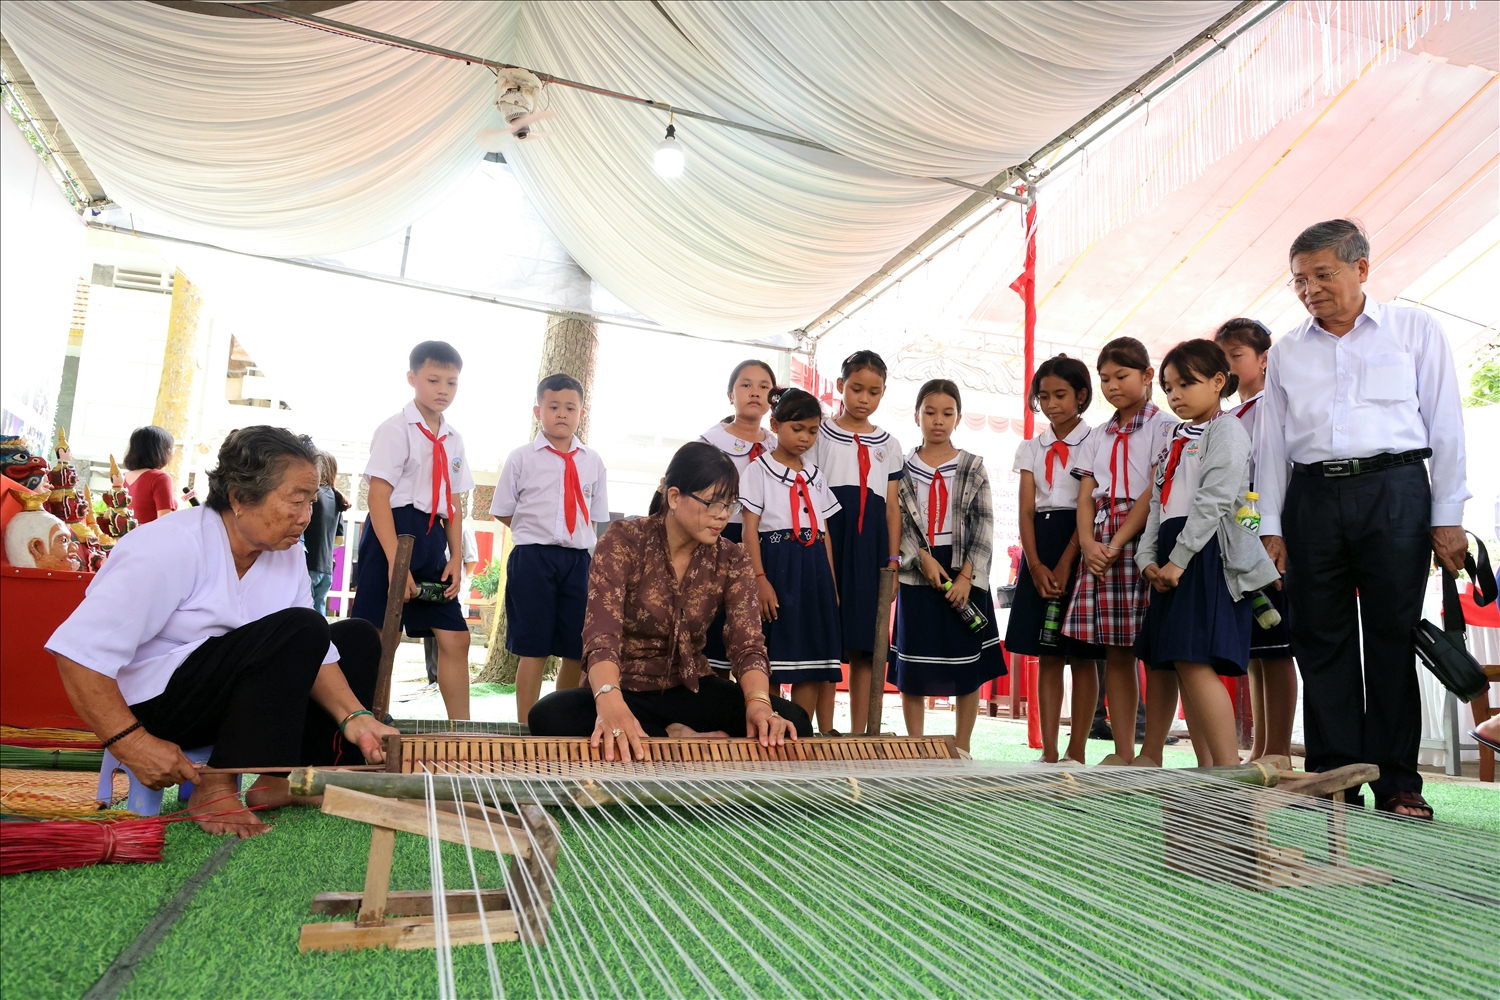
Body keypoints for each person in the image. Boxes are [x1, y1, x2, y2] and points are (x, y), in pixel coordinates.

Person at [46, 427, 398, 837]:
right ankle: (215, 785)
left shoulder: (287, 556)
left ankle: (279, 781)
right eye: (295, 501)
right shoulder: (170, 545)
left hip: (233, 697)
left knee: (355, 638)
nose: (306, 516)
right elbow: (77, 653)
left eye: (311, 502)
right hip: (158, 704)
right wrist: (132, 742)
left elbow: (316, 652)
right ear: (239, 497)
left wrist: (354, 717)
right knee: (302, 627)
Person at [1258, 219, 1469, 819]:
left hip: (1396, 490)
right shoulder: (1288, 350)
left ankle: (1399, 782)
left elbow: (1446, 424)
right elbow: (1271, 444)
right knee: (1319, 638)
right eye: (1300, 279)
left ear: (1362, 269)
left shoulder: (1414, 328)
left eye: (1323, 274)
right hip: (1312, 498)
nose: (1311, 289)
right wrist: (1270, 527)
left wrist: (1447, 515)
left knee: (1390, 635)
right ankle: (1335, 779)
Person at [527, 442, 809, 755]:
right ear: (674, 497)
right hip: (623, 688)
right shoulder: (625, 541)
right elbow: (601, 636)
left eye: (729, 505)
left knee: (794, 721)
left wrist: (758, 704)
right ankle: (675, 737)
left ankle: (662, 737)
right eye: (712, 504)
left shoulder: (731, 558)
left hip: (690, 689)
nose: (722, 516)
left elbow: (747, 643)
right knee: (549, 716)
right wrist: (610, 704)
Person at [1136, 341, 1281, 768]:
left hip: (1207, 555)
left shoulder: (1228, 430)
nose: (1175, 394)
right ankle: (1207, 769)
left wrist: (1178, 561)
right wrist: (1148, 558)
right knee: (1178, 662)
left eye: (1186, 383)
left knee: (1195, 660)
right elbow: (1159, 504)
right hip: (1170, 553)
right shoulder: (1174, 437)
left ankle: (1228, 770)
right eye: (1168, 386)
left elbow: (1215, 501)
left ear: (1219, 382)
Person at [1063, 338, 1173, 765]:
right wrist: (1089, 543)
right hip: (1102, 538)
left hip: (1145, 537)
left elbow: (1154, 491)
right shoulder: (1097, 435)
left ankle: (1153, 751)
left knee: (1156, 650)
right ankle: (1123, 751)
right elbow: (1086, 493)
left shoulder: (1165, 427)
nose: (1112, 386)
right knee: (1117, 650)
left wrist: (1116, 541)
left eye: (1121, 376)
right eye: (1105, 379)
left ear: (1148, 376)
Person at [352, 341, 475, 723]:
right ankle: (372, 726)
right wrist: (395, 561)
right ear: (412, 378)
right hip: (392, 532)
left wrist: (455, 556)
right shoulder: (394, 429)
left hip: (432, 537)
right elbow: (377, 498)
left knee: (456, 636)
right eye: (433, 379)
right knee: (379, 639)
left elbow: (453, 505)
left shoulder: (454, 438)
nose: (443, 389)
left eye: (452, 382)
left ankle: (463, 733)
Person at [889, 379, 1004, 753]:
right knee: (913, 668)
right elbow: (898, 520)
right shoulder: (902, 467)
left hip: (963, 572)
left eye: (947, 413)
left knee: (966, 666)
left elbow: (985, 522)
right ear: (918, 415)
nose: (938, 420)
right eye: (930, 412)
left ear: (958, 417)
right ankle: (917, 747)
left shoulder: (972, 466)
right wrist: (920, 557)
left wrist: (968, 577)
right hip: (917, 572)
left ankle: (963, 747)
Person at [492, 373, 609, 724]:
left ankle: (558, 720)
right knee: (535, 647)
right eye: (553, 406)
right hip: (533, 559)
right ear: (537, 411)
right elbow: (502, 509)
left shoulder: (593, 461)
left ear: (581, 413)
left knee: (575, 648)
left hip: (577, 561)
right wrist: (535, 532)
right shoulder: (521, 458)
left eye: (570, 407)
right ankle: (527, 723)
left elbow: (597, 517)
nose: (562, 414)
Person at [1003, 355, 1103, 765]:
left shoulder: (1096, 441)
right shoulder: (1030, 447)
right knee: (1046, 653)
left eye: (1060, 395)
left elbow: (1090, 507)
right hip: (1039, 545)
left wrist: (1064, 563)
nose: (1051, 404)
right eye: (1043, 396)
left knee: (1080, 653)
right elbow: (1026, 511)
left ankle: (1076, 750)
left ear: (1081, 395)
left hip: (1081, 539)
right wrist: (1036, 564)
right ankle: (1048, 750)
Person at [1216, 319, 1297, 765]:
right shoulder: (1233, 413)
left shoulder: (1273, 405)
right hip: (1240, 539)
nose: (1227, 366)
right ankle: (1263, 747)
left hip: (1267, 538)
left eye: (1236, 356)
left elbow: (1274, 476)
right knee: (1258, 650)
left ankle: (1280, 750)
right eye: (1221, 357)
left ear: (1264, 358)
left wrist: (1273, 533)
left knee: (1278, 645)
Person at [811, 350, 903, 735]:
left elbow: (893, 507)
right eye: (856, 389)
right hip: (830, 540)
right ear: (840, 387)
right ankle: (825, 728)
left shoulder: (890, 444)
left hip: (871, 548)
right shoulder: (819, 435)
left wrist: (893, 560)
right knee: (827, 636)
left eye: (874, 391)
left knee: (867, 643)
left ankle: (863, 731)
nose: (864, 398)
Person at [740, 387, 843, 730]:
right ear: (775, 423)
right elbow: (749, 530)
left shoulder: (816, 475)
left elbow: (823, 533)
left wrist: (830, 583)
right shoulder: (758, 471)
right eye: (796, 428)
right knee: (772, 657)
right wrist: (759, 579)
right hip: (777, 568)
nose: (804, 438)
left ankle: (801, 731)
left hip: (813, 571)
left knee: (812, 659)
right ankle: (768, 729)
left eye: (812, 431)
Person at [698, 359, 776, 676]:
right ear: (730, 395)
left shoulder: (779, 445)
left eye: (764, 386)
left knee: (756, 631)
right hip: (720, 537)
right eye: (746, 385)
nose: (754, 392)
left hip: (766, 544)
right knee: (715, 628)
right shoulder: (709, 443)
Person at [425, 526, 477, 686]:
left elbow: (471, 560)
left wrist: (456, 578)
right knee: (429, 633)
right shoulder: (427, 525)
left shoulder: (463, 530)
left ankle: (446, 680)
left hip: (452, 589)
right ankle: (432, 678)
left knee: (450, 636)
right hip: (429, 587)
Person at [302, 448, 349, 616]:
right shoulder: (337, 499)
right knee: (318, 612)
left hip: (308, 564)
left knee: (302, 612)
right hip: (327, 568)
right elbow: (339, 540)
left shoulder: (313, 496)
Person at [120, 425, 178, 524]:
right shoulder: (160, 478)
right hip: (150, 538)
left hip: (125, 538)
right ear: (160, 451)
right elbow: (164, 522)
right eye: (170, 449)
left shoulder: (121, 478)